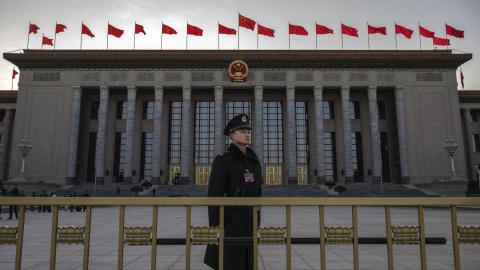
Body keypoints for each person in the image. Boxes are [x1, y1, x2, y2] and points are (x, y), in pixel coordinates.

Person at [204, 114, 262, 270]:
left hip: (249, 222)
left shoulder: (254, 162)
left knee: (248, 263)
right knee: (230, 262)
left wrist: (257, 222)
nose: (247, 133)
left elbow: (257, 195)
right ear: (231, 135)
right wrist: (215, 227)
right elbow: (214, 197)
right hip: (230, 223)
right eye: (242, 131)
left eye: (248, 130)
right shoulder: (223, 160)